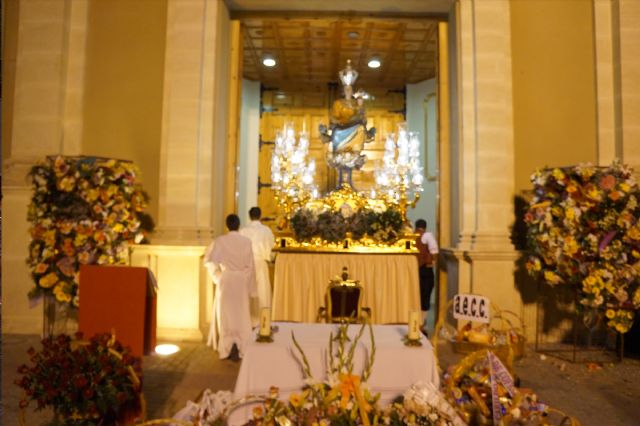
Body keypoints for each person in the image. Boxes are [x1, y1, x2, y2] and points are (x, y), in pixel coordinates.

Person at [203, 214, 256, 360]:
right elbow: (251, 266)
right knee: (241, 312)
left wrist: (217, 276)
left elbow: (208, 260)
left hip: (226, 280)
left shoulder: (220, 241)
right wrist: (250, 286)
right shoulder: (246, 242)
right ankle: (243, 346)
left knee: (226, 313)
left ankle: (225, 347)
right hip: (240, 280)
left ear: (227, 225)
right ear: (238, 225)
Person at [239, 207, 275, 312]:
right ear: (260, 216)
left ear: (250, 217)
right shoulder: (266, 230)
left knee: (247, 292)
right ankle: (263, 319)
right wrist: (270, 257)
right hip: (261, 263)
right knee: (263, 293)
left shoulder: (243, 231)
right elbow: (270, 248)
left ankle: (247, 319)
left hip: (246, 264)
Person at [414, 218, 439, 335]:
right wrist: (433, 260)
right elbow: (434, 251)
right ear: (425, 227)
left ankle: (415, 322)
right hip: (425, 269)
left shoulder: (412, 236)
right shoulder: (427, 235)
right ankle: (421, 323)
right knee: (426, 295)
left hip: (413, 270)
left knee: (416, 295)